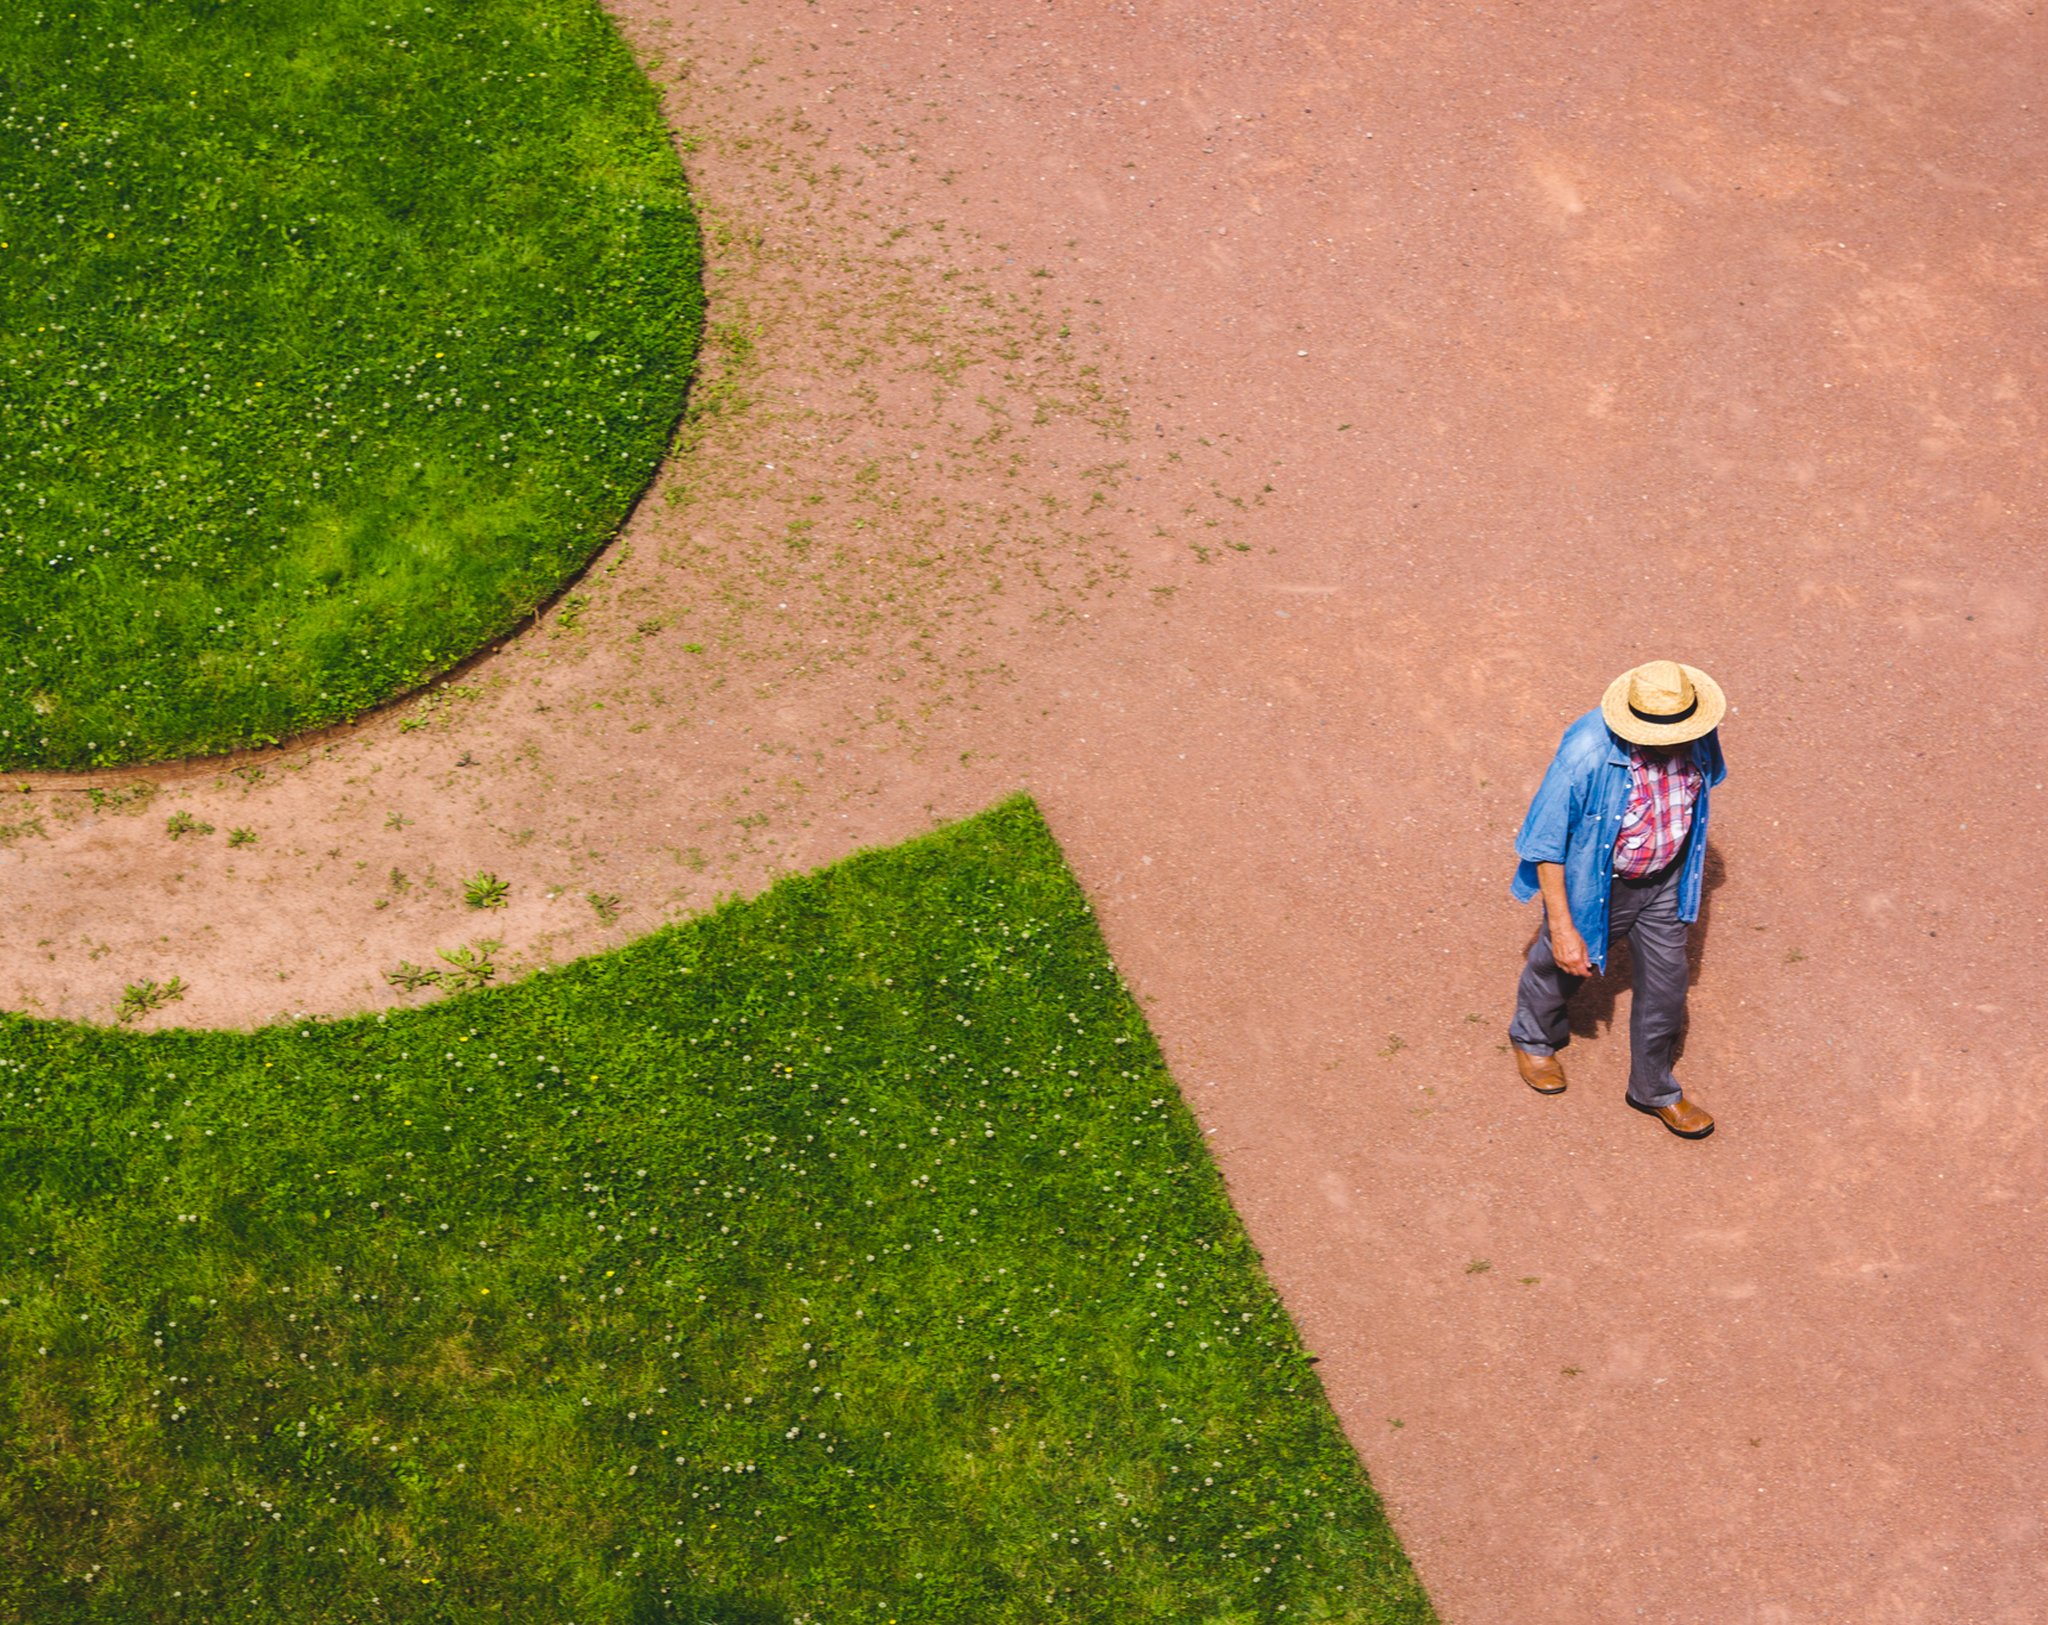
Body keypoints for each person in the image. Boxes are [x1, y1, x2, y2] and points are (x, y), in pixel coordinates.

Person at [1508, 660, 1728, 1138]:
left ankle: (1653, 1089)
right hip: (1602, 881)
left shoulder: (1697, 729)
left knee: (1669, 987)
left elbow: (1698, 792)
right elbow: (1545, 845)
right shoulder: (1586, 753)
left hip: (1668, 878)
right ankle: (1534, 1038)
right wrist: (1565, 929)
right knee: (1565, 963)